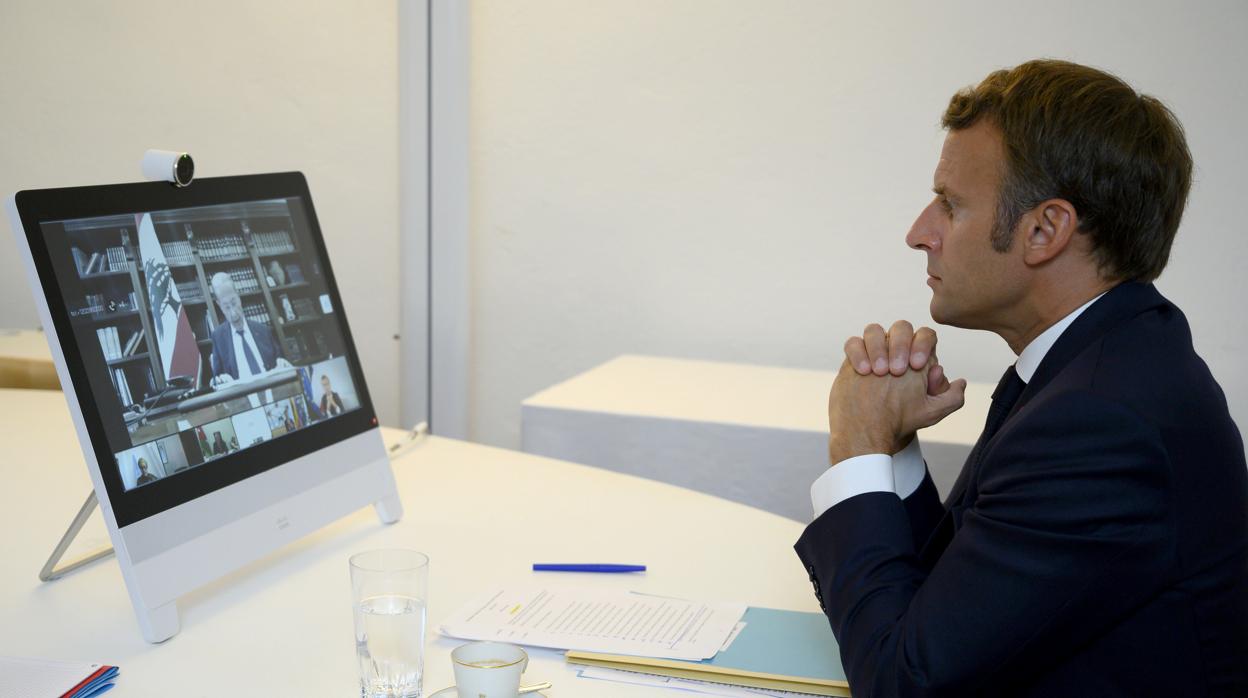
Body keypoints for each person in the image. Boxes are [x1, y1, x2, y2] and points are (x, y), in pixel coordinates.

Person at [795, 60, 1248, 696]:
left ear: (1044, 230)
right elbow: (953, 598)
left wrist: (858, 449)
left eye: (950, 205)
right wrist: (892, 448)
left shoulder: (1096, 420)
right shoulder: (1101, 359)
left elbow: (903, 680)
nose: (919, 233)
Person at [208, 272, 290, 383]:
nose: (233, 313)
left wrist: (283, 365)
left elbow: (281, 363)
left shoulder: (263, 330)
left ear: (238, 296)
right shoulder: (218, 338)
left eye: (234, 303)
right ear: (219, 305)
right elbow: (217, 380)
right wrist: (220, 380)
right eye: (226, 307)